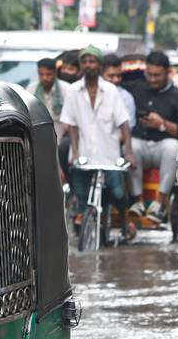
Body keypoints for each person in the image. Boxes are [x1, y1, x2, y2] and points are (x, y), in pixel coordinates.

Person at [59, 46, 137, 243]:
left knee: (118, 193)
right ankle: (85, 226)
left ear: (99, 65)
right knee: (82, 198)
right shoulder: (73, 91)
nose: (88, 65)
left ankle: (125, 219)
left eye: (92, 61)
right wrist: (75, 153)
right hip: (84, 154)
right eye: (85, 61)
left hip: (109, 154)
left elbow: (124, 123)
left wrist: (128, 151)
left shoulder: (111, 91)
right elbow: (72, 124)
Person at [126, 49, 178, 222]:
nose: (152, 79)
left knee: (173, 147)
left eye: (157, 75)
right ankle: (138, 203)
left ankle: (160, 203)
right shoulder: (137, 89)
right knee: (129, 146)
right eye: (149, 75)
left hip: (165, 148)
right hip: (140, 144)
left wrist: (162, 124)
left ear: (168, 72)